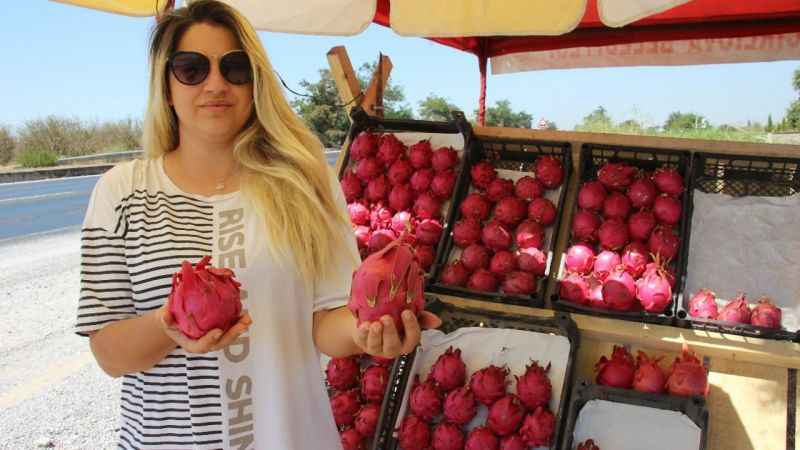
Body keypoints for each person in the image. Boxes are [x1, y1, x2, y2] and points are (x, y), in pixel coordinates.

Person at [75, 1, 440, 449]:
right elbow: (108, 355)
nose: (215, 83)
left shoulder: (304, 181)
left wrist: (369, 331)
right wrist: (166, 325)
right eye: (191, 68)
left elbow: (326, 322)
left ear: (255, 83)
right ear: (166, 86)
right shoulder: (121, 193)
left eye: (235, 68)